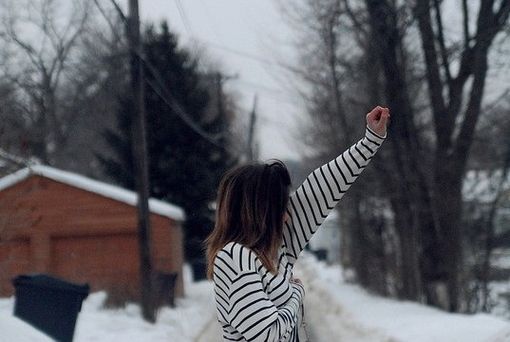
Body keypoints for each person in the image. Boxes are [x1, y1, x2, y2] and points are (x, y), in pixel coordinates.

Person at [205, 106, 390, 341]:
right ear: (260, 212)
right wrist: (296, 294)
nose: (287, 216)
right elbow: (267, 333)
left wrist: (370, 141)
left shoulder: (278, 249)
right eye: (280, 209)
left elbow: (320, 190)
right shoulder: (233, 257)